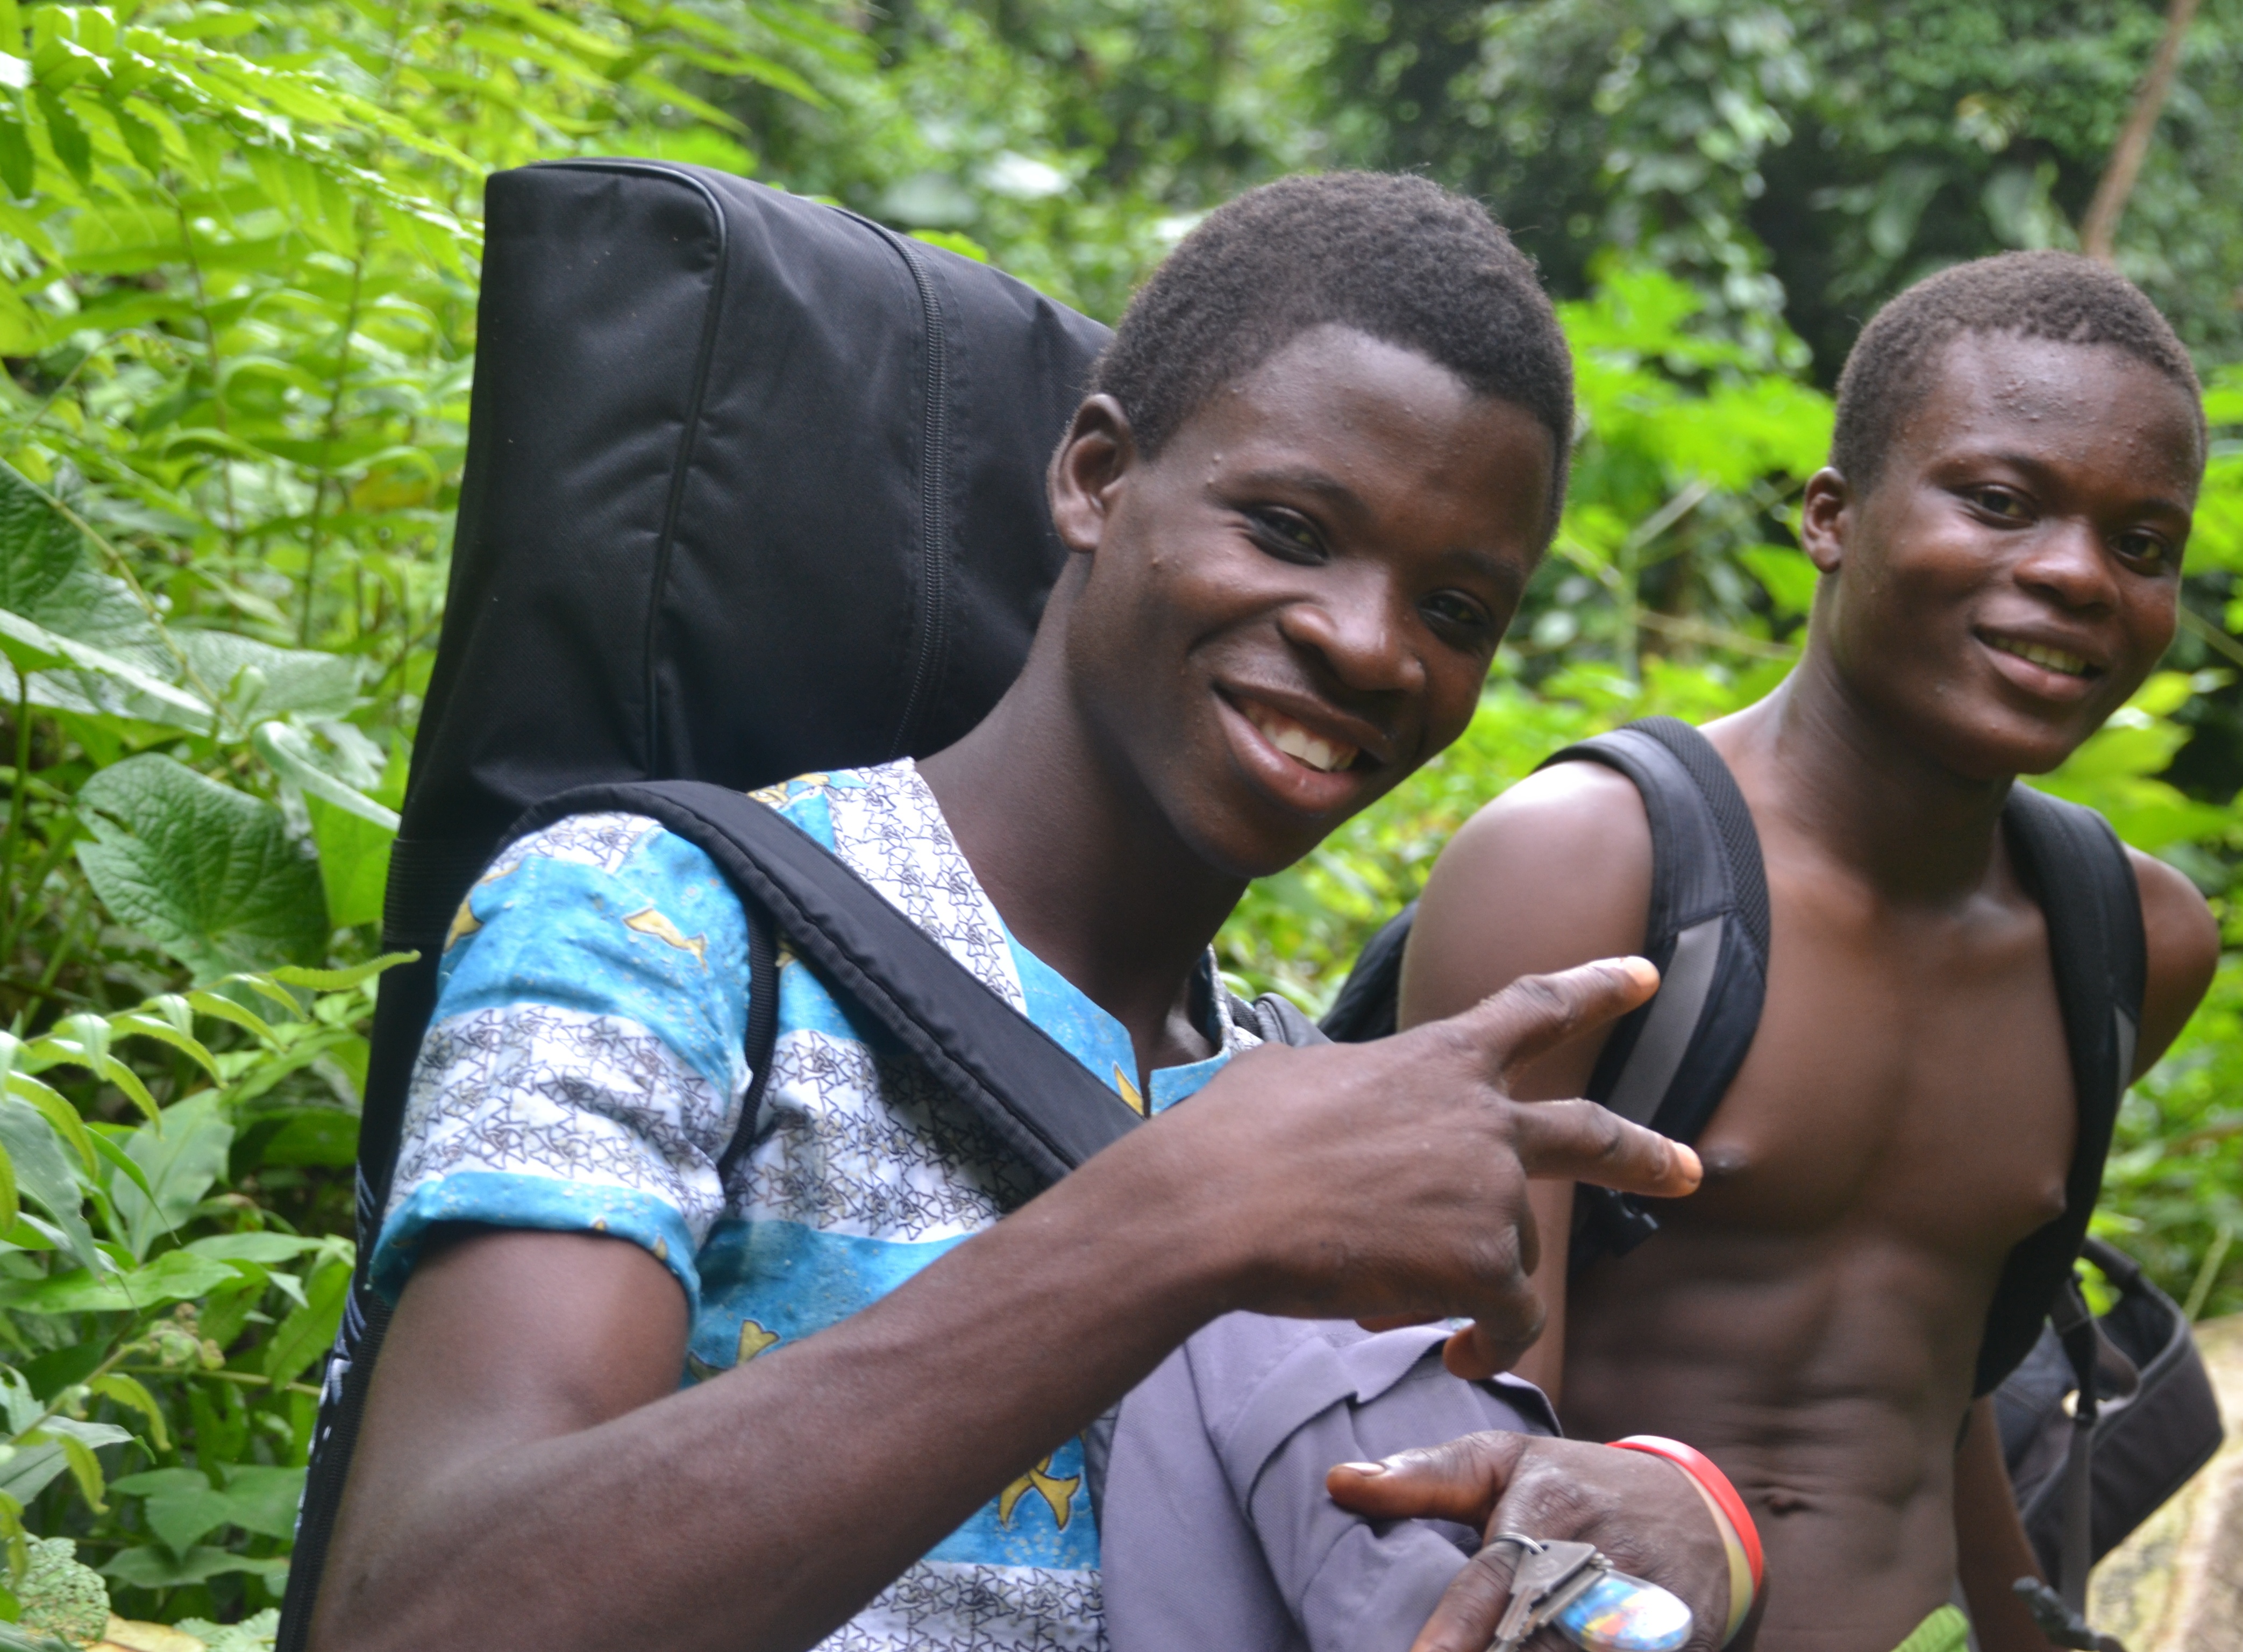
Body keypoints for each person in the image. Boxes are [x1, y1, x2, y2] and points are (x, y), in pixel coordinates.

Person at [303, 173, 1719, 1652]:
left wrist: (1679, 1528)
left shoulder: (1306, 1109)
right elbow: (423, 1622)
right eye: (1292, 530)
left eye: (1455, 612)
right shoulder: (657, 925)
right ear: (1096, 478)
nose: (1370, 646)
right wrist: (1179, 1216)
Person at [1397, 252, 2224, 1652]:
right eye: (2001, 502)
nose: (2078, 575)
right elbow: (1468, 1435)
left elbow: (1935, 1374)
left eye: (2142, 546)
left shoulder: (2131, 940)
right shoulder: (1589, 867)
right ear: (1831, 516)